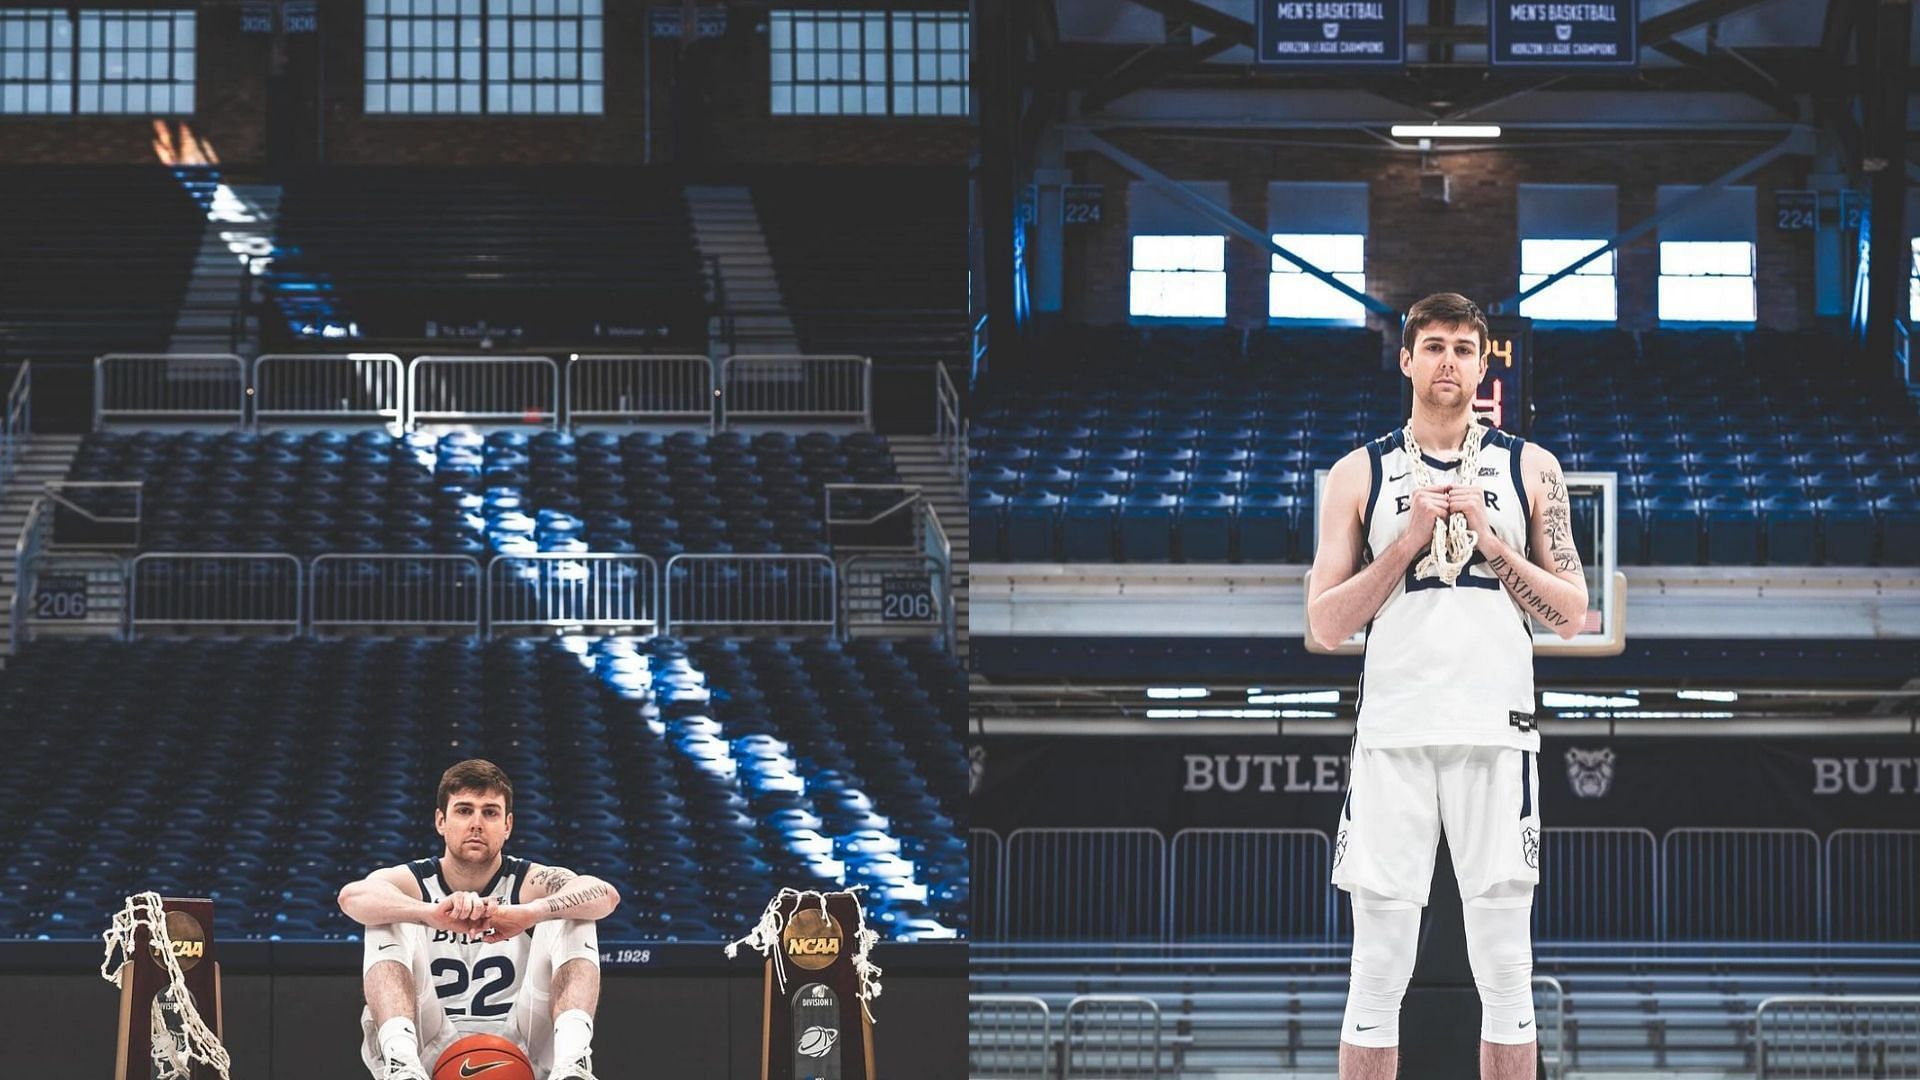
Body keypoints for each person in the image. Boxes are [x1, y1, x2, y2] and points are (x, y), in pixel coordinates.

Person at [1307, 292, 1588, 1080]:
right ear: (1406, 359)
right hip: (1393, 732)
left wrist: (1495, 544)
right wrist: (1405, 545)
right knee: (1376, 971)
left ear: (1485, 362)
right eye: (1433, 346)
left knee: (1506, 972)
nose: (1449, 362)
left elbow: (1570, 613)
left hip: (1497, 731)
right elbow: (1326, 623)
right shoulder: (1358, 472)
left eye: (1465, 348)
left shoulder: (1531, 466)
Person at [338, 759, 622, 1080]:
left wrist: (530, 913)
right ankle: (401, 1065)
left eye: (490, 812)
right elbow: (351, 898)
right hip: (429, 1045)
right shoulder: (415, 881)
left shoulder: (527, 882)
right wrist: (429, 914)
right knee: (386, 913)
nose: (476, 823)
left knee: (570, 909)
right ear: (441, 821)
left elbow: (605, 895)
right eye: (463, 810)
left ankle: (573, 1065)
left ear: (508, 825)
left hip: (523, 1043)